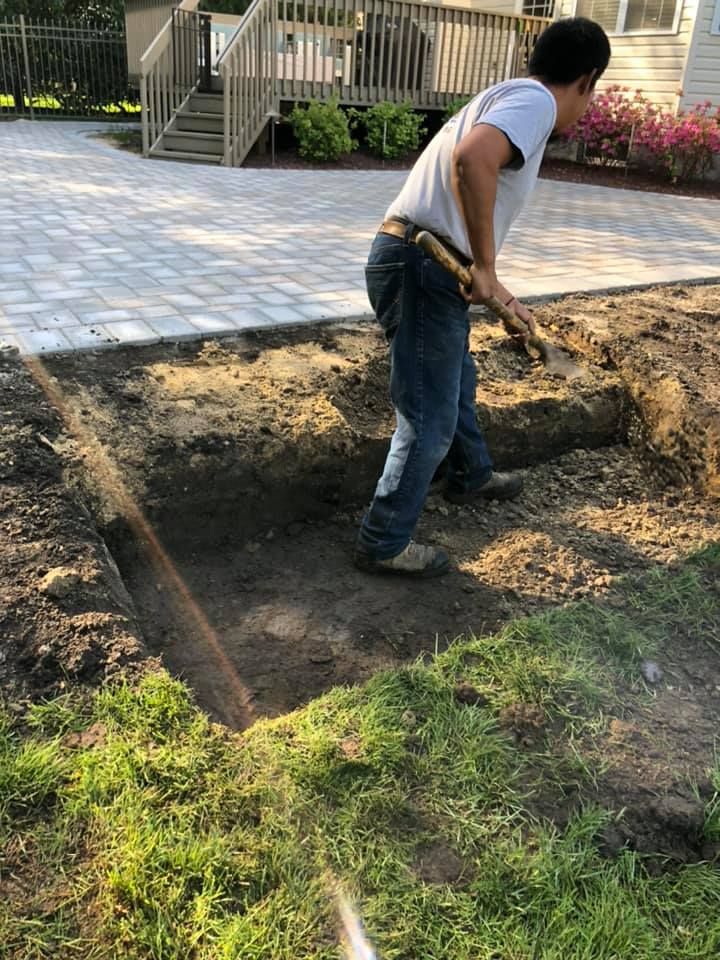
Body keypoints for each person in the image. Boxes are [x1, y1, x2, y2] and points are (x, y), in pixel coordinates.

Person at [354, 17, 611, 579]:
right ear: (587, 79)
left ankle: (471, 475)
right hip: (420, 262)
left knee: (455, 382)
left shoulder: (507, 96)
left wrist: (503, 294)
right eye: (592, 94)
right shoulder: (537, 103)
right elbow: (473, 159)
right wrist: (487, 268)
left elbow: (458, 219)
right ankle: (383, 540)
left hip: (420, 257)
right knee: (428, 417)